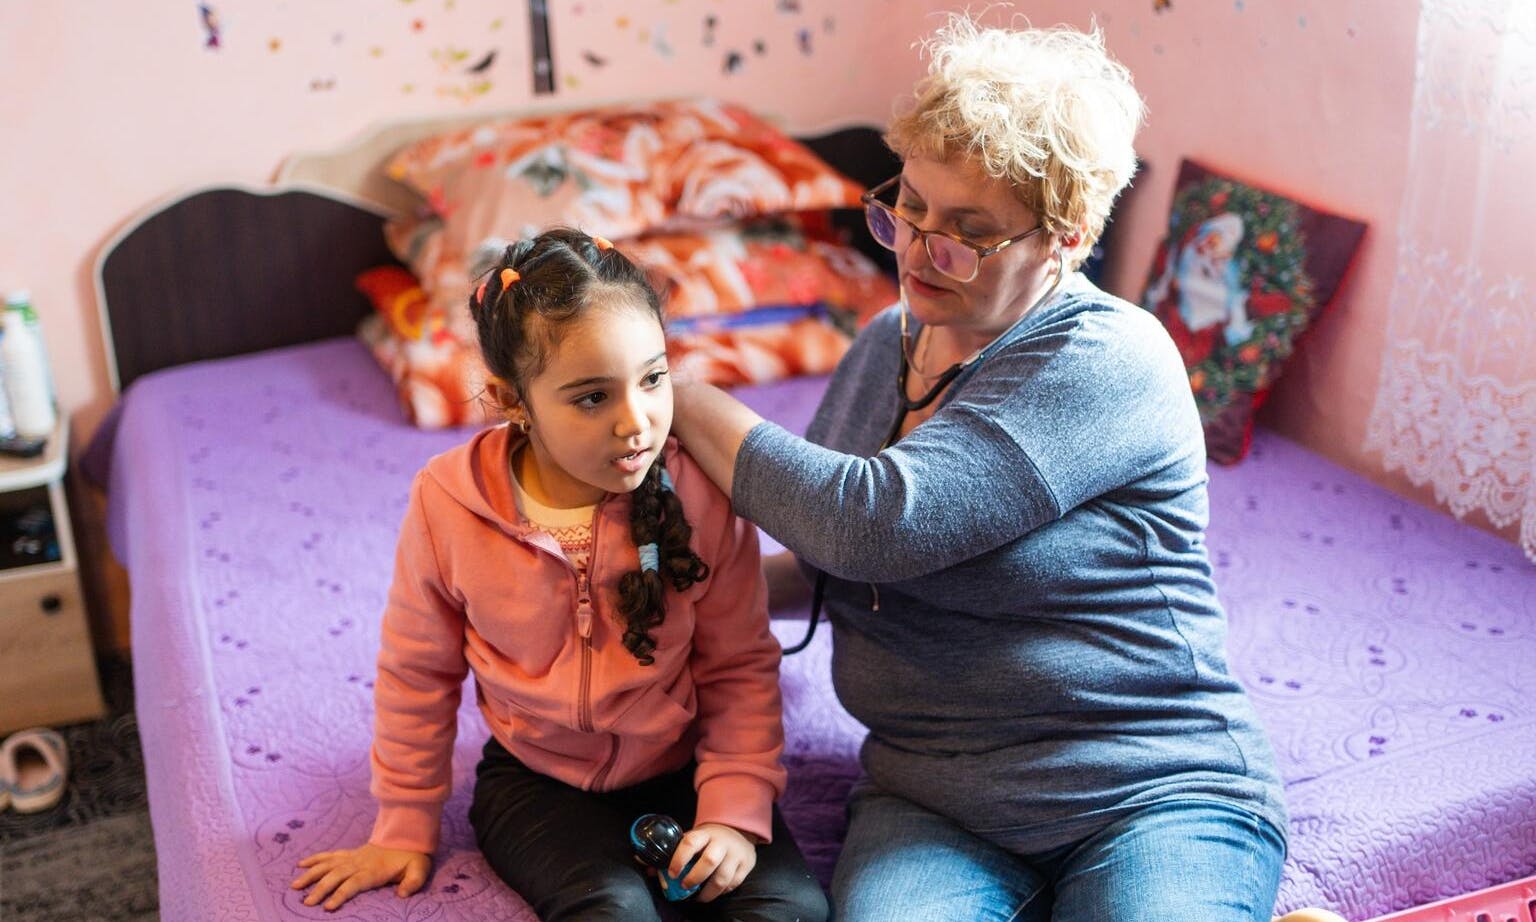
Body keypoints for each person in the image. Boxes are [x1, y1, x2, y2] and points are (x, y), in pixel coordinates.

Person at [668, 17, 1288, 922]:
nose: (918, 250)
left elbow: (874, 525)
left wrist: (677, 392)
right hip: (931, 799)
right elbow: (837, 568)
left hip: (1147, 787)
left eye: (967, 231)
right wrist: (683, 592)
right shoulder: (890, 342)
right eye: (909, 206)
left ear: (1066, 237)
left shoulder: (1108, 358)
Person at [290, 229, 828, 922]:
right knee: (608, 911)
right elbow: (416, 673)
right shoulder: (447, 503)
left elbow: (739, 665)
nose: (638, 423)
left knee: (792, 911)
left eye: (653, 379)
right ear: (512, 400)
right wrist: (403, 825)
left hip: (689, 764)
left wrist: (733, 811)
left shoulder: (700, 495)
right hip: (536, 780)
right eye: (591, 398)